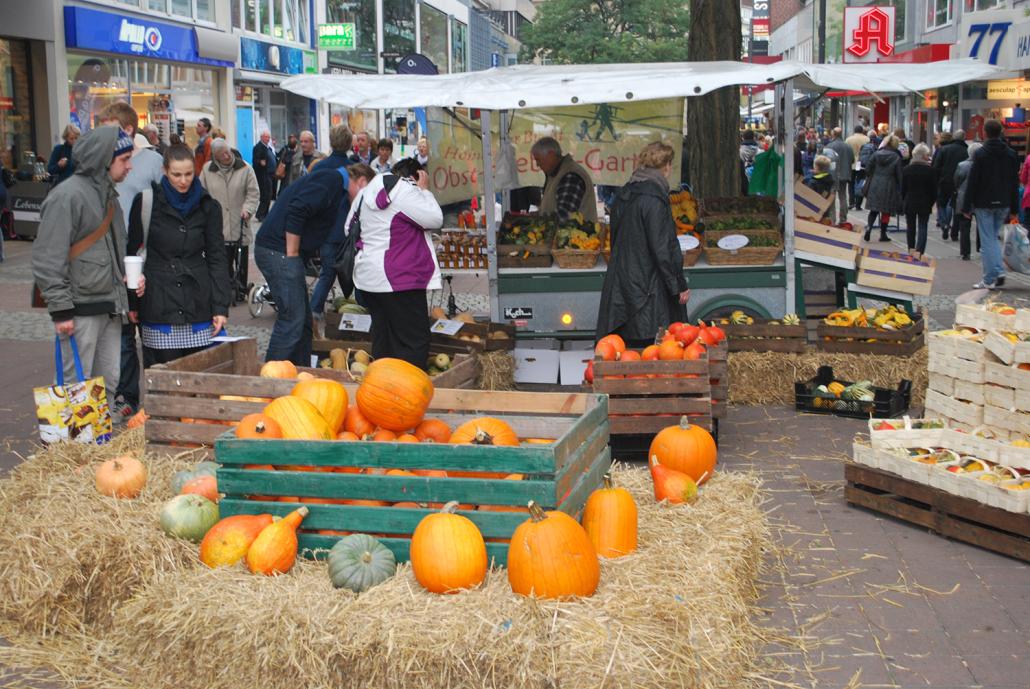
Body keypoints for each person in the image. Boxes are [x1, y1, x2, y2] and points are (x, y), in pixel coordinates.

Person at [32, 126, 143, 407]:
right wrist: (61, 310)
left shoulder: (110, 198)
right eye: (124, 159)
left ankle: (98, 445)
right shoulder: (67, 196)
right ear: (105, 158)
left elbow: (114, 251)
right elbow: (48, 258)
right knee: (76, 388)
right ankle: (74, 447)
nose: (130, 166)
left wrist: (128, 282)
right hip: (80, 307)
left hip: (108, 304)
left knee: (107, 384)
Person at [254, 161, 373, 366]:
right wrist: (292, 253)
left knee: (303, 321)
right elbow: (298, 209)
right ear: (362, 182)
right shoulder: (332, 180)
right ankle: (271, 376)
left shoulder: (335, 186)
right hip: (279, 251)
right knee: (292, 319)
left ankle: (301, 371)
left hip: (284, 252)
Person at [126, 144, 230, 366]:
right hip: (158, 300)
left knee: (202, 375)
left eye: (188, 174)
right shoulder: (146, 202)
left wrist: (221, 307)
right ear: (164, 171)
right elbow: (133, 253)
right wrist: (132, 302)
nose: (183, 181)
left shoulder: (208, 206)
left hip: (198, 302)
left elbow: (217, 257)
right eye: (176, 174)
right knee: (162, 378)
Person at [350, 158, 441, 367]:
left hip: (369, 277)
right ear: (415, 176)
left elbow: (349, 228)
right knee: (413, 342)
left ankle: (383, 389)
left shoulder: (365, 193)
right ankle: (407, 392)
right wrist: (424, 191)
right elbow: (435, 218)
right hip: (401, 278)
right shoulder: (406, 190)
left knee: (384, 338)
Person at [596, 142, 688, 347]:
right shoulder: (655, 199)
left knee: (627, 351)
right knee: (653, 351)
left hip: (625, 288)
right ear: (666, 167)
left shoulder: (625, 194)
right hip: (649, 292)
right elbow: (662, 248)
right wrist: (678, 285)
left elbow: (615, 238)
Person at [961, 120, 1020, 290]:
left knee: (987, 240)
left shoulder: (981, 154)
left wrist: (966, 206)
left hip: (984, 201)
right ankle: (998, 270)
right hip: (1003, 201)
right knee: (993, 237)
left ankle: (990, 277)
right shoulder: (1010, 154)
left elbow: (973, 181)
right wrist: (1014, 208)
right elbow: (1014, 182)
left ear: (985, 133)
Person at [200, 138, 259, 299]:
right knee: (222, 260)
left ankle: (240, 289)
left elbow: (253, 193)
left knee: (241, 259)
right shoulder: (207, 170)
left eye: (227, 152)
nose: (226, 156)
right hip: (218, 225)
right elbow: (201, 194)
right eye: (221, 154)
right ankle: (224, 289)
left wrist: (247, 209)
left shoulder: (246, 168)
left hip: (240, 221)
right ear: (215, 156)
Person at [530, 137, 598, 222]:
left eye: (538, 160)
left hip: (578, 234)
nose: (537, 165)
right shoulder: (557, 173)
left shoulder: (570, 176)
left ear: (551, 155)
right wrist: (539, 214)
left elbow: (565, 215)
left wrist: (539, 218)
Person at [901, 144, 938, 259]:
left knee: (910, 226)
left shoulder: (907, 169)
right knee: (923, 226)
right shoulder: (930, 170)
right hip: (925, 202)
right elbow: (934, 190)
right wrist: (932, 202)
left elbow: (903, 188)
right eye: (927, 155)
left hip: (910, 201)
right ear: (922, 156)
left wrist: (903, 200)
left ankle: (910, 249)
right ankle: (920, 251)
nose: (928, 157)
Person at [863, 135, 903, 242]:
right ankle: (883, 234)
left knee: (874, 209)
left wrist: (873, 175)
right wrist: (901, 188)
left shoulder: (876, 154)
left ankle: (869, 228)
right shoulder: (896, 157)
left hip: (875, 183)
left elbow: (867, 169)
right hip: (889, 184)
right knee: (886, 211)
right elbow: (899, 175)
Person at [932, 129, 968, 241]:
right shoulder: (966, 150)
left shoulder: (944, 149)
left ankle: (945, 223)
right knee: (955, 206)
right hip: (960, 183)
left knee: (942, 203)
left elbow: (936, 166)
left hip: (944, 180)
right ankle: (954, 232)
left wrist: (936, 179)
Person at [954, 142, 982, 261]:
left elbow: (956, 180)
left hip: (964, 197)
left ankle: (965, 252)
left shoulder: (962, 165)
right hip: (980, 198)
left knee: (965, 226)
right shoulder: (984, 165)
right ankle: (981, 248)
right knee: (981, 225)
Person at [826, 127, 854, 223]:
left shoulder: (829, 146)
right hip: (844, 175)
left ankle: (832, 219)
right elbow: (852, 160)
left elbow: (826, 161)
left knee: (832, 197)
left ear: (833, 134)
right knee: (843, 197)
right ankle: (843, 219)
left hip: (833, 175)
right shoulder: (848, 146)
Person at [251, 130, 276, 220]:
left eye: (269, 137)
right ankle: (261, 214)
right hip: (263, 175)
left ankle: (264, 213)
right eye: (266, 137)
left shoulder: (267, 147)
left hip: (269, 175)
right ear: (261, 137)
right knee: (265, 195)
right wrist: (260, 162)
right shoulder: (258, 147)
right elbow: (255, 161)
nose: (268, 139)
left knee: (269, 195)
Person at [845, 126, 870, 209]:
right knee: (860, 183)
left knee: (851, 183)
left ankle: (851, 202)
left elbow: (846, 152)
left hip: (851, 164)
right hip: (862, 164)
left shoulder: (848, 139)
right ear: (862, 131)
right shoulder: (867, 139)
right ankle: (858, 204)